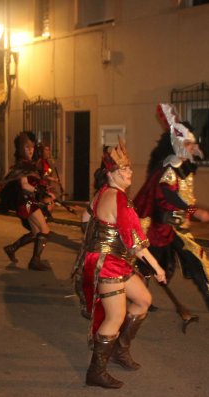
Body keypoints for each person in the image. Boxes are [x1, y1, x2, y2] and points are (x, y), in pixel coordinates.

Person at [73, 137, 166, 389]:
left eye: (129, 168)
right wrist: (157, 268)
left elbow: (85, 217)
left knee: (143, 300)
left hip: (111, 261)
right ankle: (96, 372)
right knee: (115, 316)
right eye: (124, 169)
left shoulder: (103, 193)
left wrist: (98, 239)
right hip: (109, 265)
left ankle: (119, 350)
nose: (130, 172)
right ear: (111, 174)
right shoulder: (120, 201)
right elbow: (136, 245)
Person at [134, 103, 209, 321]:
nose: (193, 147)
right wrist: (194, 210)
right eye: (188, 143)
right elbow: (167, 194)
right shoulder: (170, 166)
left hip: (178, 226)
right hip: (164, 227)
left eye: (193, 143)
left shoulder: (182, 165)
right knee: (154, 265)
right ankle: (139, 296)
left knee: (191, 259)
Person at [0, 131, 54, 271]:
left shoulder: (29, 163)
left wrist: (43, 189)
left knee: (35, 233)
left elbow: (32, 183)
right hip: (27, 202)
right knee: (45, 230)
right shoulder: (22, 164)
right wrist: (39, 191)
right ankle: (35, 261)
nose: (30, 150)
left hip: (28, 201)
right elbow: (24, 185)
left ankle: (12, 248)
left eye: (32, 147)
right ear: (21, 148)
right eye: (27, 147)